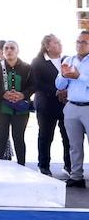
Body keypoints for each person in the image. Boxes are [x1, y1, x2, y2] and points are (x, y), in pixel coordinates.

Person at [0, 40, 34, 166]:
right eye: (6, 48)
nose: (9, 50)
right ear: (3, 51)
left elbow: (33, 85)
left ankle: (21, 166)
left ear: (18, 51)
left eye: (12, 48)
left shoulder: (27, 67)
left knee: (19, 137)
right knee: (2, 137)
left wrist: (22, 95)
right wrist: (3, 94)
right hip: (0, 107)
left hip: (20, 108)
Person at [31, 34, 70, 176]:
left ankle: (69, 166)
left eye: (60, 42)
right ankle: (43, 166)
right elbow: (36, 83)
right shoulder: (37, 62)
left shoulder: (67, 60)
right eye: (56, 42)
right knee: (46, 136)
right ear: (47, 46)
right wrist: (57, 91)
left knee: (68, 137)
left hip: (65, 104)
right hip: (46, 105)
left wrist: (66, 92)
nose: (60, 44)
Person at [55, 31, 89, 188]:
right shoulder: (69, 60)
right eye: (78, 41)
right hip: (72, 106)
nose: (80, 45)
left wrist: (78, 76)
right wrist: (64, 75)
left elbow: (81, 79)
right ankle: (76, 177)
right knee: (74, 145)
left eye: (84, 42)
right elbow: (59, 85)